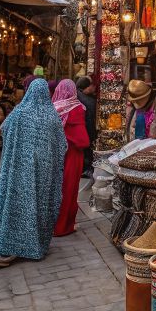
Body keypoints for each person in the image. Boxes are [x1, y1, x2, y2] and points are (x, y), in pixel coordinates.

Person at [0, 78, 66, 268]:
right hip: (43, 174)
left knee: (16, 205)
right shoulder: (51, 116)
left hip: (18, 172)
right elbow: (62, 145)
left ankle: (9, 248)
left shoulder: (20, 112)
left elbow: (3, 129)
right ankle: (36, 247)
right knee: (40, 204)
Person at [51, 78, 89, 236]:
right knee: (69, 189)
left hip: (54, 155)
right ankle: (63, 226)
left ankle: (51, 225)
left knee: (54, 189)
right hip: (72, 155)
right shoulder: (77, 108)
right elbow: (82, 140)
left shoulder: (53, 108)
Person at [76, 76, 97, 177]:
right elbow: (90, 122)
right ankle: (86, 169)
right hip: (85, 132)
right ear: (87, 87)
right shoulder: (88, 101)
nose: (94, 88)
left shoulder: (77, 95)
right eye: (92, 86)